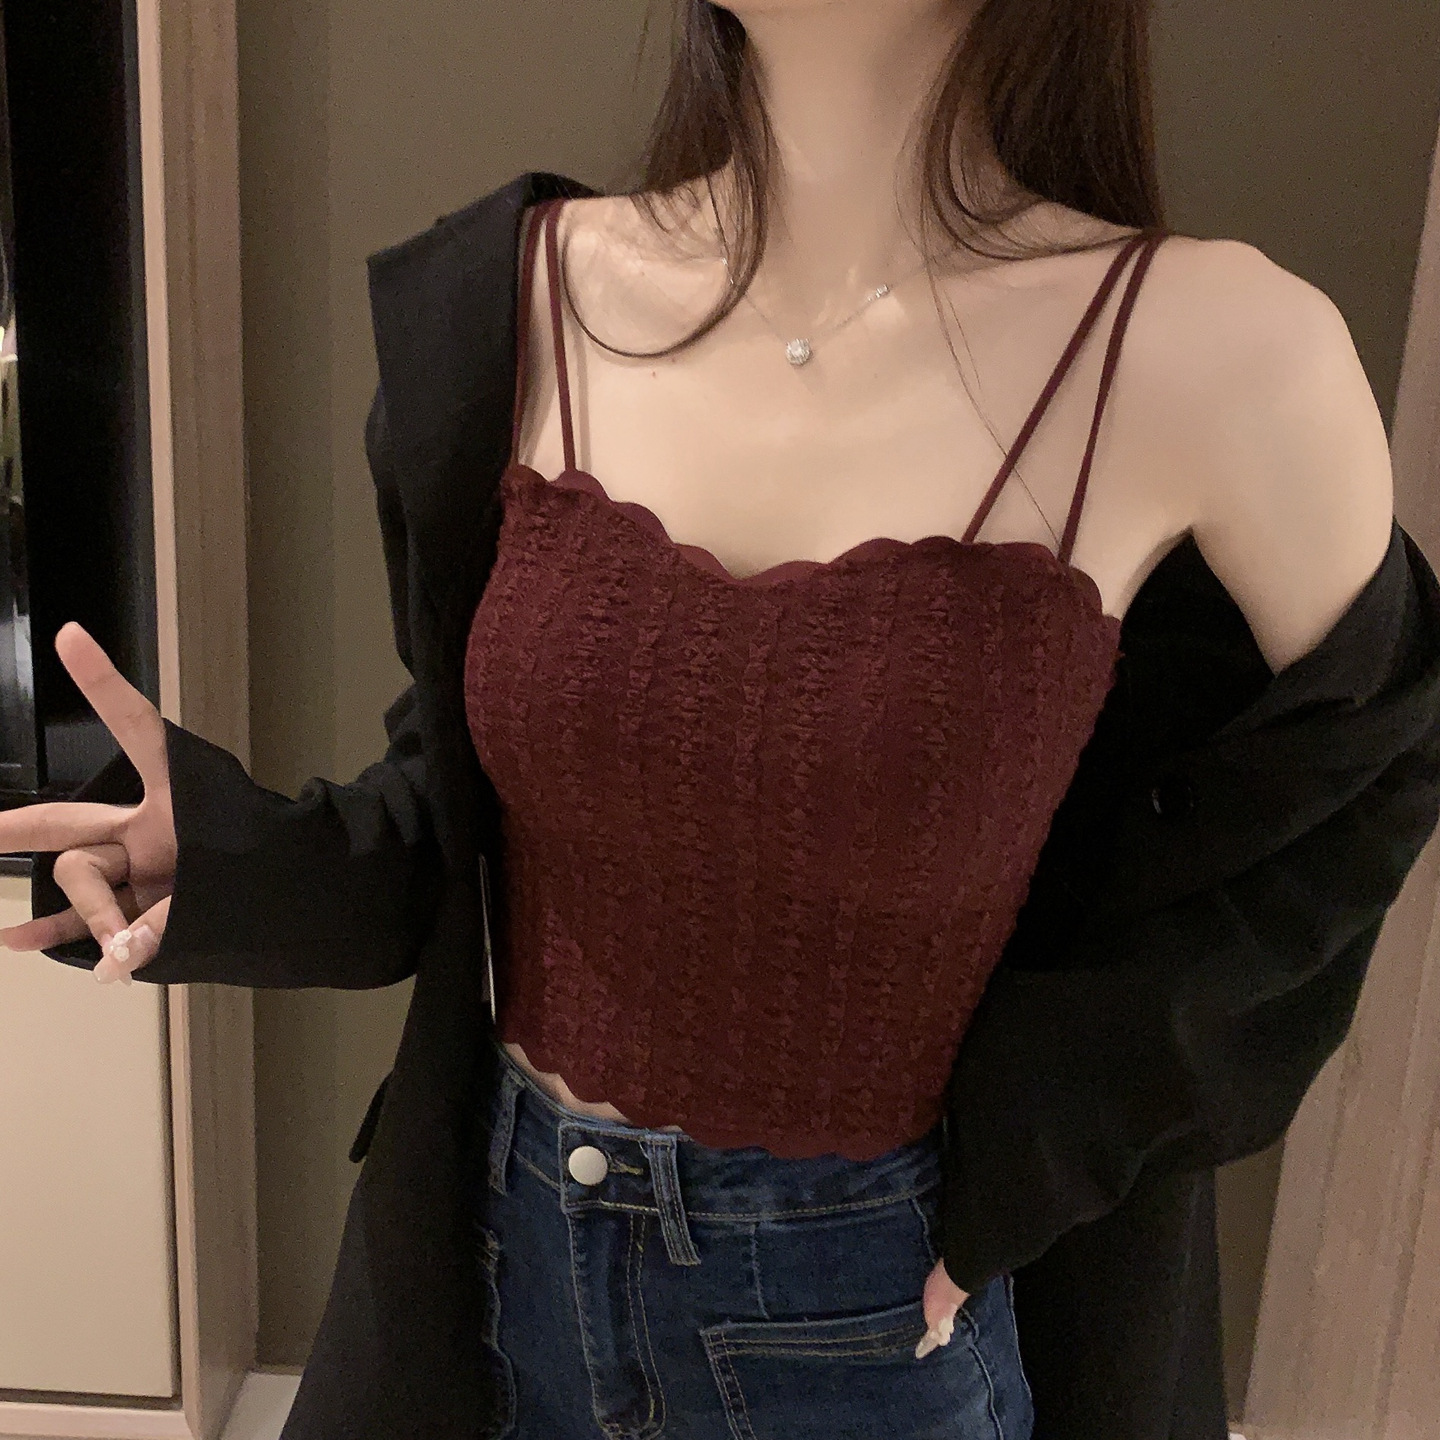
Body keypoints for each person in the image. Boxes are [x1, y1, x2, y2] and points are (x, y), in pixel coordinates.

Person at [0, 2, 1414, 1437]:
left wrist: (1048, 1138)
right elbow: (459, 816)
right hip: (502, 1266)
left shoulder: (1213, 352)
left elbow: (1364, 779)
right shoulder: (515, 297)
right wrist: (231, 857)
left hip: (865, 1319)